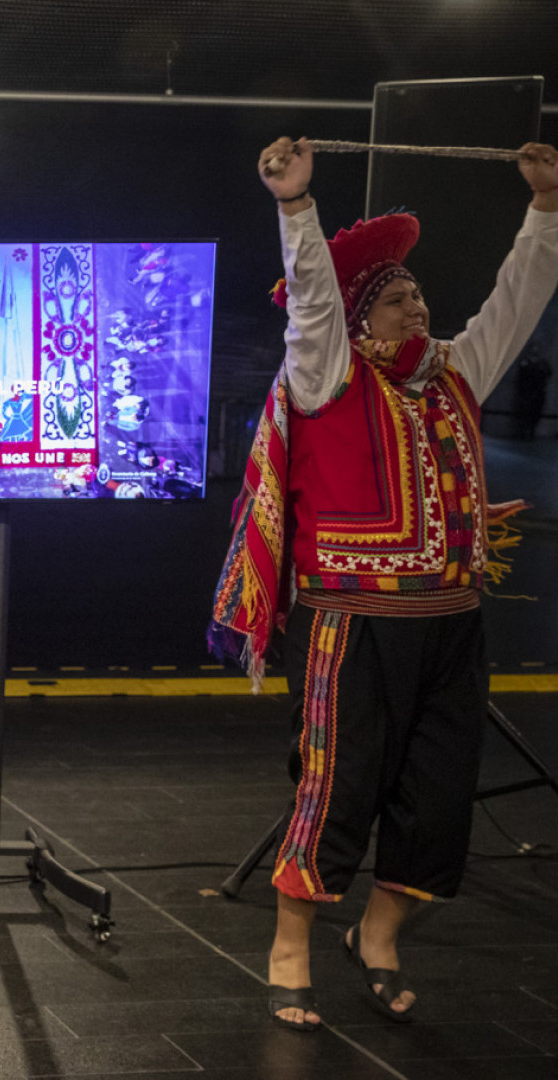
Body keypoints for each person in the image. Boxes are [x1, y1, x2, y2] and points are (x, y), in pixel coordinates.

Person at [213, 136, 558, 1031]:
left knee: (439, 798)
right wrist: (297, 208)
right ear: (363, 320)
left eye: (418, 295)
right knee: (339, 785)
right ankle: (290, 945)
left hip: (451, 621)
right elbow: (313, 309)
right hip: (350, 624)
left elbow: (515, 301)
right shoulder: (328, 376)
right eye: (398, 298)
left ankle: (378, 932)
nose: (419, 306)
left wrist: (547, 212)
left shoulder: (455, 377)